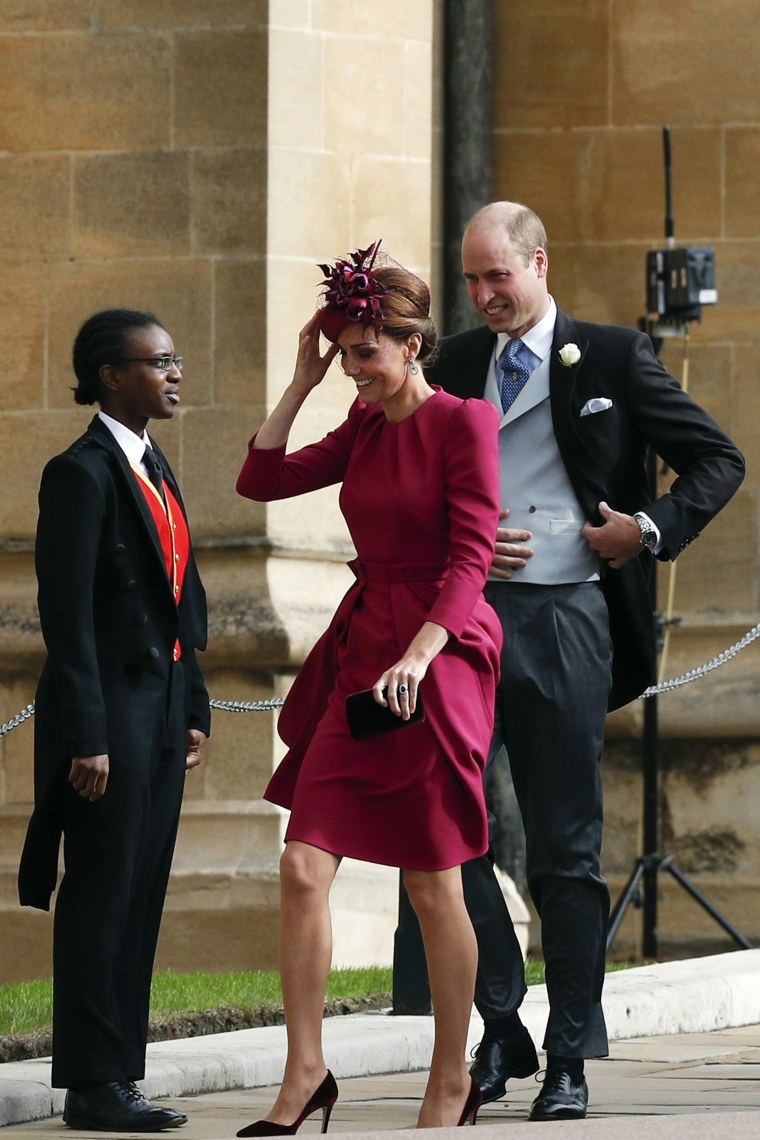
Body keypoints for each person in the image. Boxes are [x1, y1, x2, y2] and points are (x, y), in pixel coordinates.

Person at [393, 201, 746, 1122]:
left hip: (567, 620)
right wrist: (456, 543)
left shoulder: (617, 355)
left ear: (538, 264)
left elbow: (718, 458)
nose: (482, 296)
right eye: (470, 281)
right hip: (462, 621)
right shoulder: (457, 363)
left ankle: (568, 1057)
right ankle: (499, 1019)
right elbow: (406, 475)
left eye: (495, 277)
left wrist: (648, 529)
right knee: (442, 833)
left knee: (566, 851)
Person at [234, 242, 502, 1133]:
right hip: (365, 652)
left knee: (433, 884)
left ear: (411, 346)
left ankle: (449, 1080)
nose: (354, 367)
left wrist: (422, 656)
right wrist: (302, 381)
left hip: (440, 652)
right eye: (344, 351)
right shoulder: (361, 424)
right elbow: (261, 480)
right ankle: (304, 1073)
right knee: (303, 865)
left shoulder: (464, 424)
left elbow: (471, 558)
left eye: (365, 352)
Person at [18, 309, 211, 1132]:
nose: (173, 374)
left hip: (161, 708)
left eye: (173, 360)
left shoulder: (151, 460)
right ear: (109, 375)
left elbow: (177, 598)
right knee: (100, 893)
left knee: (140, 891)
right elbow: (65, 619)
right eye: (156, 362)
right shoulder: (82, 471)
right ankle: (92, 1085)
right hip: (109, 718)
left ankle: (120, 1076)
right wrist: (87, 735)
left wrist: (194, 705)